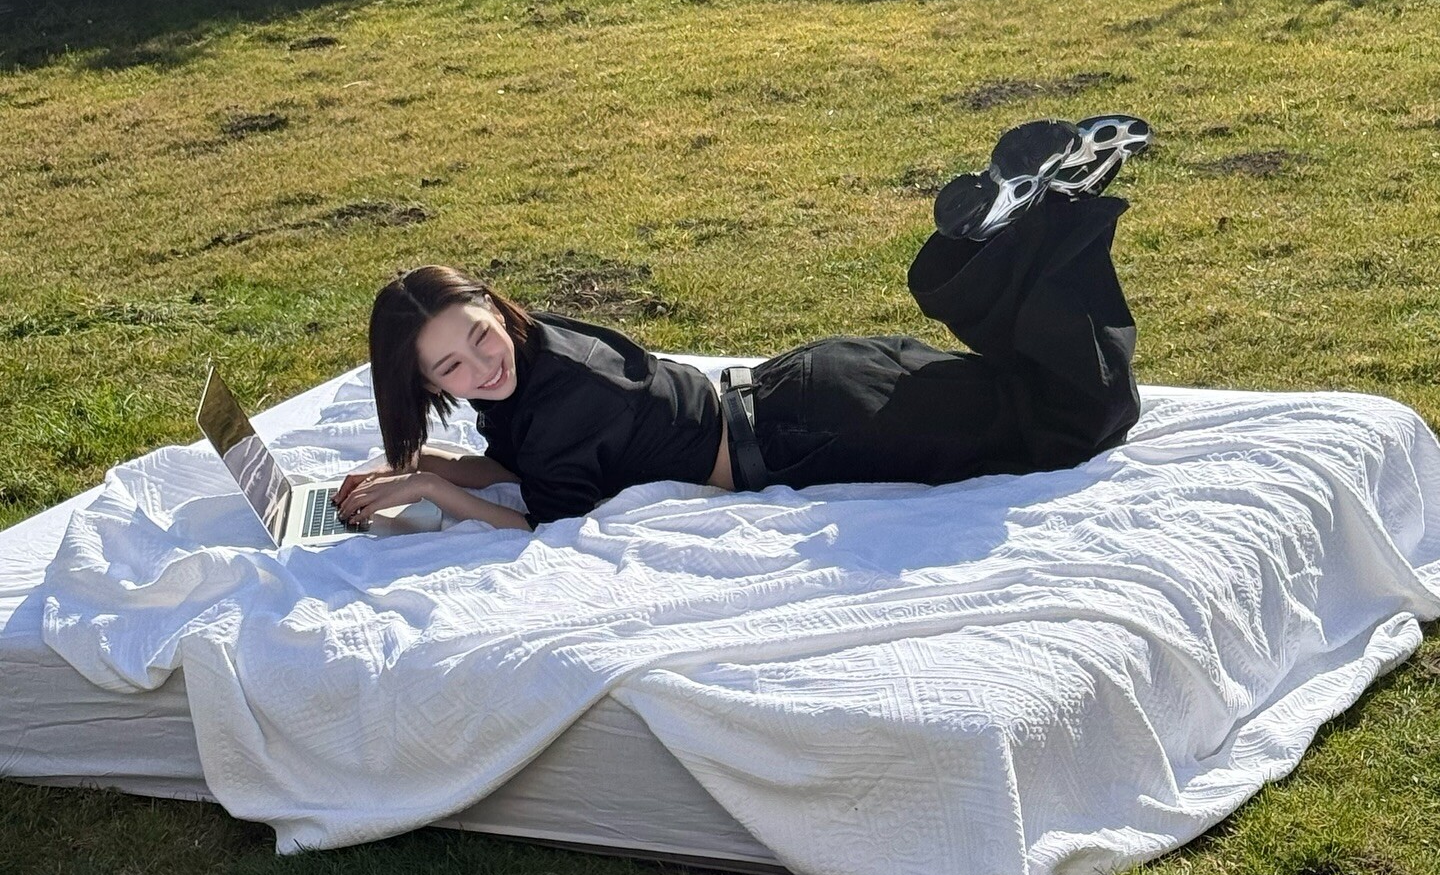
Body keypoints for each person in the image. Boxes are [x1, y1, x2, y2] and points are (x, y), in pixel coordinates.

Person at [334, 115, 1152, 534]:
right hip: (810, 388)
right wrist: (418, 463)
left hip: (825, 430)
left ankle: (1039, 222)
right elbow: (524, 460)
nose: (481, 367)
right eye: (451, 368)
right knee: (1020, 391)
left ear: (492, 305)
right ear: (425, 383)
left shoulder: (563, 396)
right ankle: (1030, 219)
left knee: (1077, 421)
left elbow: (539, 518)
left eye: (478, 336)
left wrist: (435, 488)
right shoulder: (537, 350)